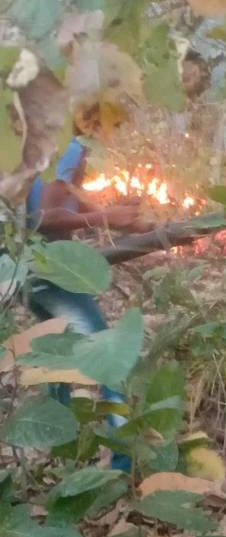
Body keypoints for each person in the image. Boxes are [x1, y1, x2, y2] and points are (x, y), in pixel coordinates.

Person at [26, 136, 143, 472]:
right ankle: (123, 465)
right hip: (51, 270)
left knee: (58, 359)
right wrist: (106, 216)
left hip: (31, 270)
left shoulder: (62, 142)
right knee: (109, 359)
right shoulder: (69, 145)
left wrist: (121, 218)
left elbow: (70, 201)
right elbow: (42, 217)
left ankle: (62, 453)